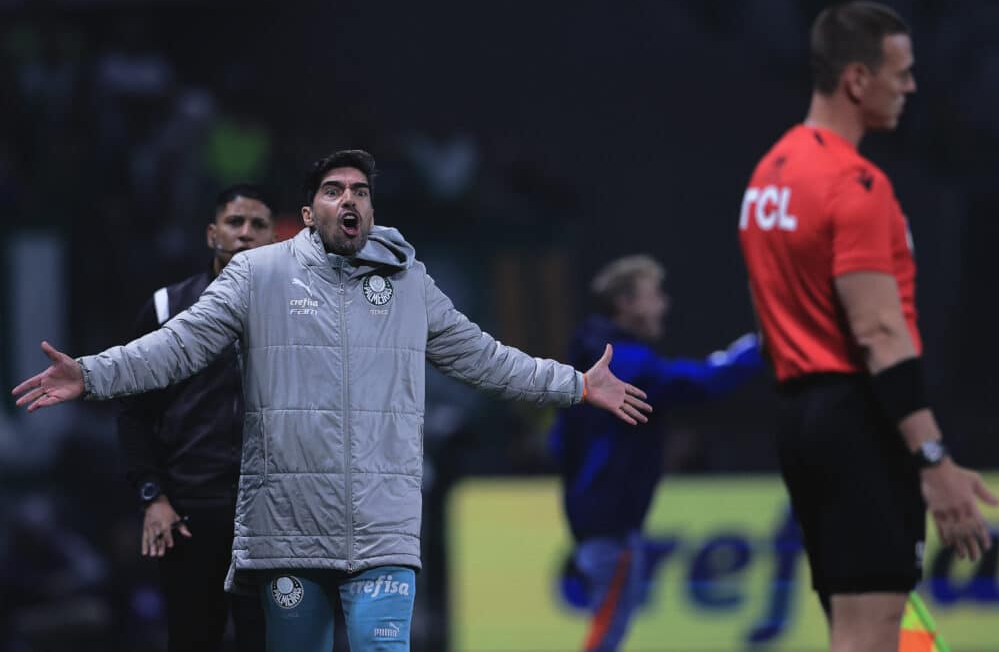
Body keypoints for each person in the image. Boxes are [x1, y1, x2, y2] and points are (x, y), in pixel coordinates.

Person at [12, 149, 652, 652]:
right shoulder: (257, 276)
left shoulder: (408, 280)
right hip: (287, 533)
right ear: (310, 211)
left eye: (361, 191)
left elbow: (484, 356)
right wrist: (91, 375)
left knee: (380, 645)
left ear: (371, 210)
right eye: (334, 190)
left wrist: (575, 383)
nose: (350, 199)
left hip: (382, 527)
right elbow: (173, 347)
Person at [737, 1, 999, 652]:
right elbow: (880, 332)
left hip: (799, 418)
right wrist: (933, 456)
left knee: (849, 628)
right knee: (874, 630)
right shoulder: (855, 184)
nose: (911, 87)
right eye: (901, 72)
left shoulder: (768, 175)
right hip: (858, 416)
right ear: (858, 78)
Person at [550, 255, 762, 652]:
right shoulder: (622, 363)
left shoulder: (590, 355)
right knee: (607, 634)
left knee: (609, 629)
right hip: (608, 520)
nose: (664, 304)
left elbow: (558, 443)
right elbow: (702, 382)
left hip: (597, 518)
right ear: (626, 303)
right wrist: (760, 345)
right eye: (655, 294)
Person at [118, 184, 275, 652]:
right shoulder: (167, 308)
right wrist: (152, 496)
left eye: (258, 225)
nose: (245, 233)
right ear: (212, 233)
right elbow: (133, 411)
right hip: (189, 514)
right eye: (234, 222)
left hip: (272, 520)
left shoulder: (298, 312)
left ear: (275, 239)